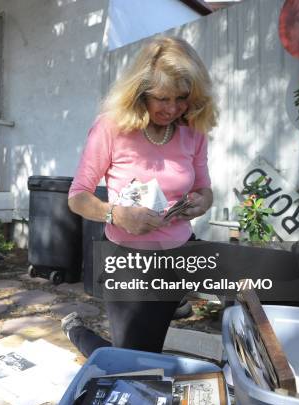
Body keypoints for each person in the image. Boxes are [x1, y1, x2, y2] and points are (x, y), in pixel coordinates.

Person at [63, 36, 218, 357]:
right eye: (162, 98)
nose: (172, 108)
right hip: (128, 259)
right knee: (132, 359)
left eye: (181, 98)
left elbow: (204, 189)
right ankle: (76, 331)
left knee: (149, 346)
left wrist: (203, 201)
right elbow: (77, 197)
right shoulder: (111, 128)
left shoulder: (193, 130)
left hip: (179, 253)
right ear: (140, 93)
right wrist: (116, 214)